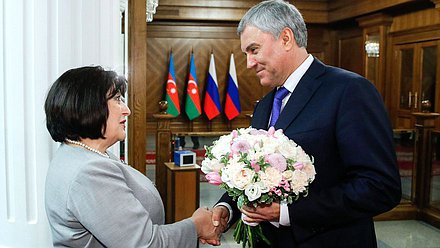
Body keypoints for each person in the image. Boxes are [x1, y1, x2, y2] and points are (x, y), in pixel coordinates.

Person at [205, 0, 402, 247]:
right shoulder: (264, 105)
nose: (249, 63)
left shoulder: (349, 90)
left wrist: (287, 213)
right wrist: (228, 207)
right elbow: (257, 174)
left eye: (254, 50)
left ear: (286, 38)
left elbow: (381, 187)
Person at [44, 66, 221, 247]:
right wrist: (197, 225)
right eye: (117, 100)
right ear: (88, 106)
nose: (127, 110)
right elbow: (145, 244)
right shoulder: (89, 172)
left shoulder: (82, 155)